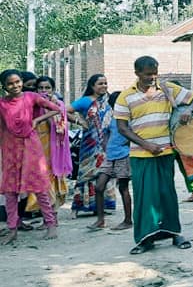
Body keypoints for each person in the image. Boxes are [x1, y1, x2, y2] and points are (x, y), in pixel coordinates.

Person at [114, 56, 193, 255]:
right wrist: (146, 144)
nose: (152, 78)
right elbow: (122, 128)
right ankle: (146, 238)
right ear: (136, 72)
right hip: (140, 155)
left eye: (155, 73)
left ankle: (174, 232)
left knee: (167, 194)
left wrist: (188, 110)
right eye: (147, 74)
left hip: (166, 152)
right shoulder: (125, 96)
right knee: (145, 197)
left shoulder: (167, 89)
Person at [0, 69, 62, 244]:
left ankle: (50, 224)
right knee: (11, 191)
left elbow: (55, 108)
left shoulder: (30, 97)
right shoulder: (2, 104)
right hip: (10, 149)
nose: (15, 86)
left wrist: (36, 121)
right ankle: (12, 229)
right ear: (4, 86)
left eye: (17, 82)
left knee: (39, 187)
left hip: (31, 147)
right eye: (10, 83)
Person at [67, 74, 116, 217]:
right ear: (92, 86)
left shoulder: (109, 100)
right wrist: (79, 122)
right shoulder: (85, 101)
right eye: (100, 83)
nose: (104, 86)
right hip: (89, 145)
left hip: (106, 143)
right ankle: (80, 205)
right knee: (86, 173)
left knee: (105, 172)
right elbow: (64, 110)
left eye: (105, 83)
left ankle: (104, 205)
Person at [30, 77, 72, 212]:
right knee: (41, 179)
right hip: (37, 146)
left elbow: (57, 127)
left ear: (53, 89)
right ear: (36, 90)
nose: (44, 91)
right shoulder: (33, 105)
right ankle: (46, 217)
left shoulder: (58, 104)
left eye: (47, 88)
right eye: (40, 88)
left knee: (52, 178)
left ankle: (52, 215)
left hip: (54, 147)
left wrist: (48, 106)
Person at [93, 92, 133, 230]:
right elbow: (105, 133)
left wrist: (126, 145)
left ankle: (128, 220)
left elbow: (134, 133)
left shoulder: (129, 117)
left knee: (123, 187)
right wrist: (106, 146)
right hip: (110, 156)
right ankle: (100, 220)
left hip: (123, 155)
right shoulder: (110, 116)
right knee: (99, 186)